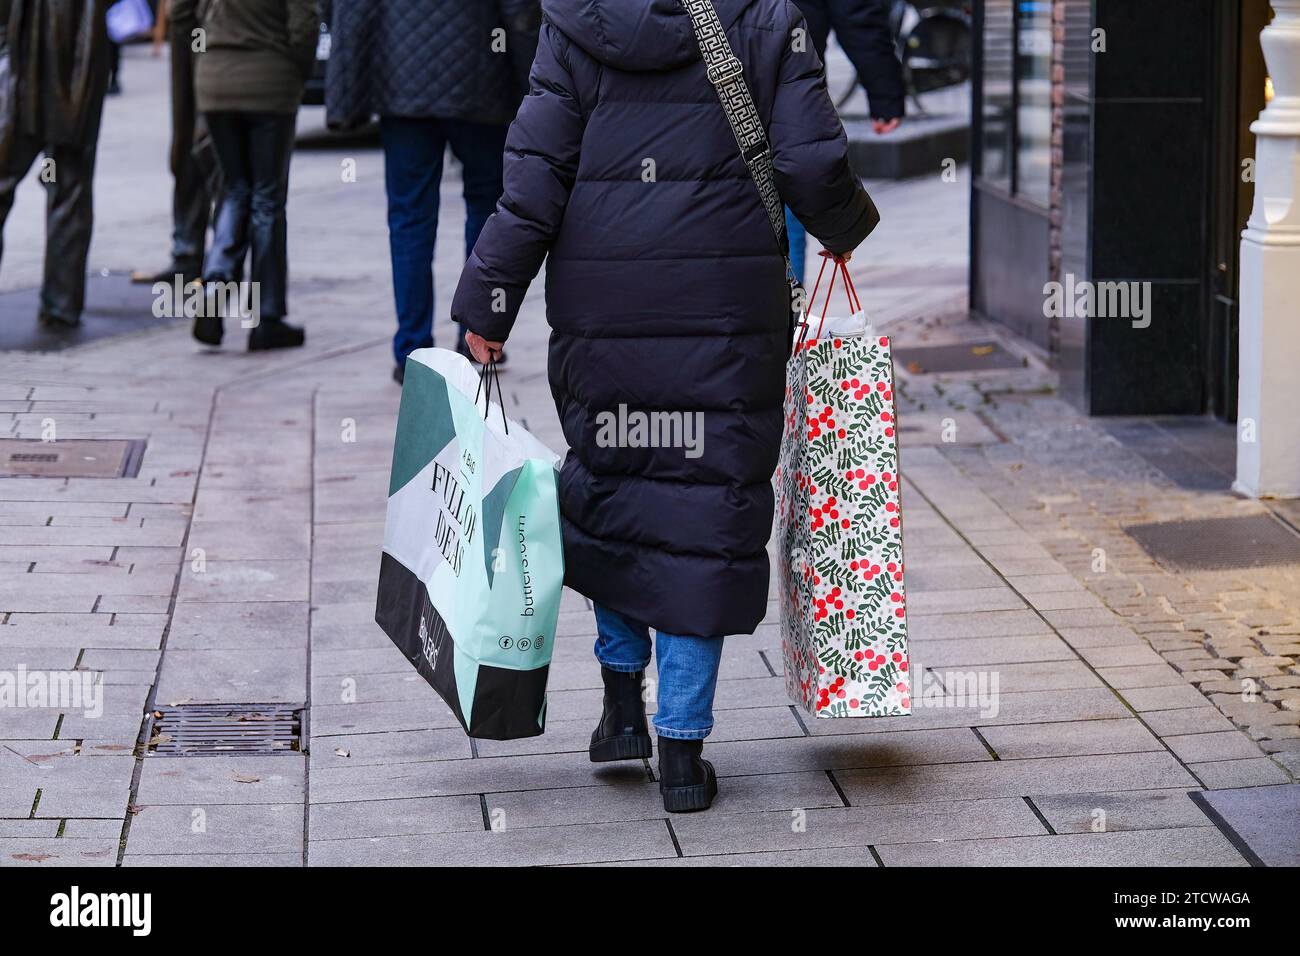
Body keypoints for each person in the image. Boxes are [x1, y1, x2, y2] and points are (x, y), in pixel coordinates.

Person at [451, 0, 878, 812]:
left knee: (615, 491)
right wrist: (846, 225)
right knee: (706, 511)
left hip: (603, 308)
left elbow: (532, 185)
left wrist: (488, 303)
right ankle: (681, 751)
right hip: (725, 309)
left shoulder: (575, 21)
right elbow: (813, 163)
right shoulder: (764, 16)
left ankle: (620, 708)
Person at [326, 0, 540, 384]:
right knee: (485, 207)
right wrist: (533, 86)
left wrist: (344, 96)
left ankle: (412, 348)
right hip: (480, 83)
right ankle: (477, 336)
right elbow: (519, 12)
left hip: (401, 85)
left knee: (409, 219)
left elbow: (353, 10)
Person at [174, 0, 318, 351]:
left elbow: (178, 12)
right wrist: (297, 70)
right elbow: (305, 23)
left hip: (215, 81)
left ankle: (214, 284)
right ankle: (267, 317)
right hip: (270, 80)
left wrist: (206, 51)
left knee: (235, 190)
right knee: (267, 199)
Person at [0, 0, 111, 330]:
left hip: (40, 61)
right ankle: (61, 303)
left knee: (66, 183)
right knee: (68, 185)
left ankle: (62, 302)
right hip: (57, 61)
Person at [786, 0, 904, 283]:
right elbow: (856, 14)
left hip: (700, 102)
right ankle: (788, 318)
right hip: (784, 98)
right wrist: (885, 92)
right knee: (785, 217)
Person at [131, 0, 220, 288]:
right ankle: (193, 254)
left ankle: (220, 258)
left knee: (204, 139)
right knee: (189, 138)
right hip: (194, 29)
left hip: (214, 29)